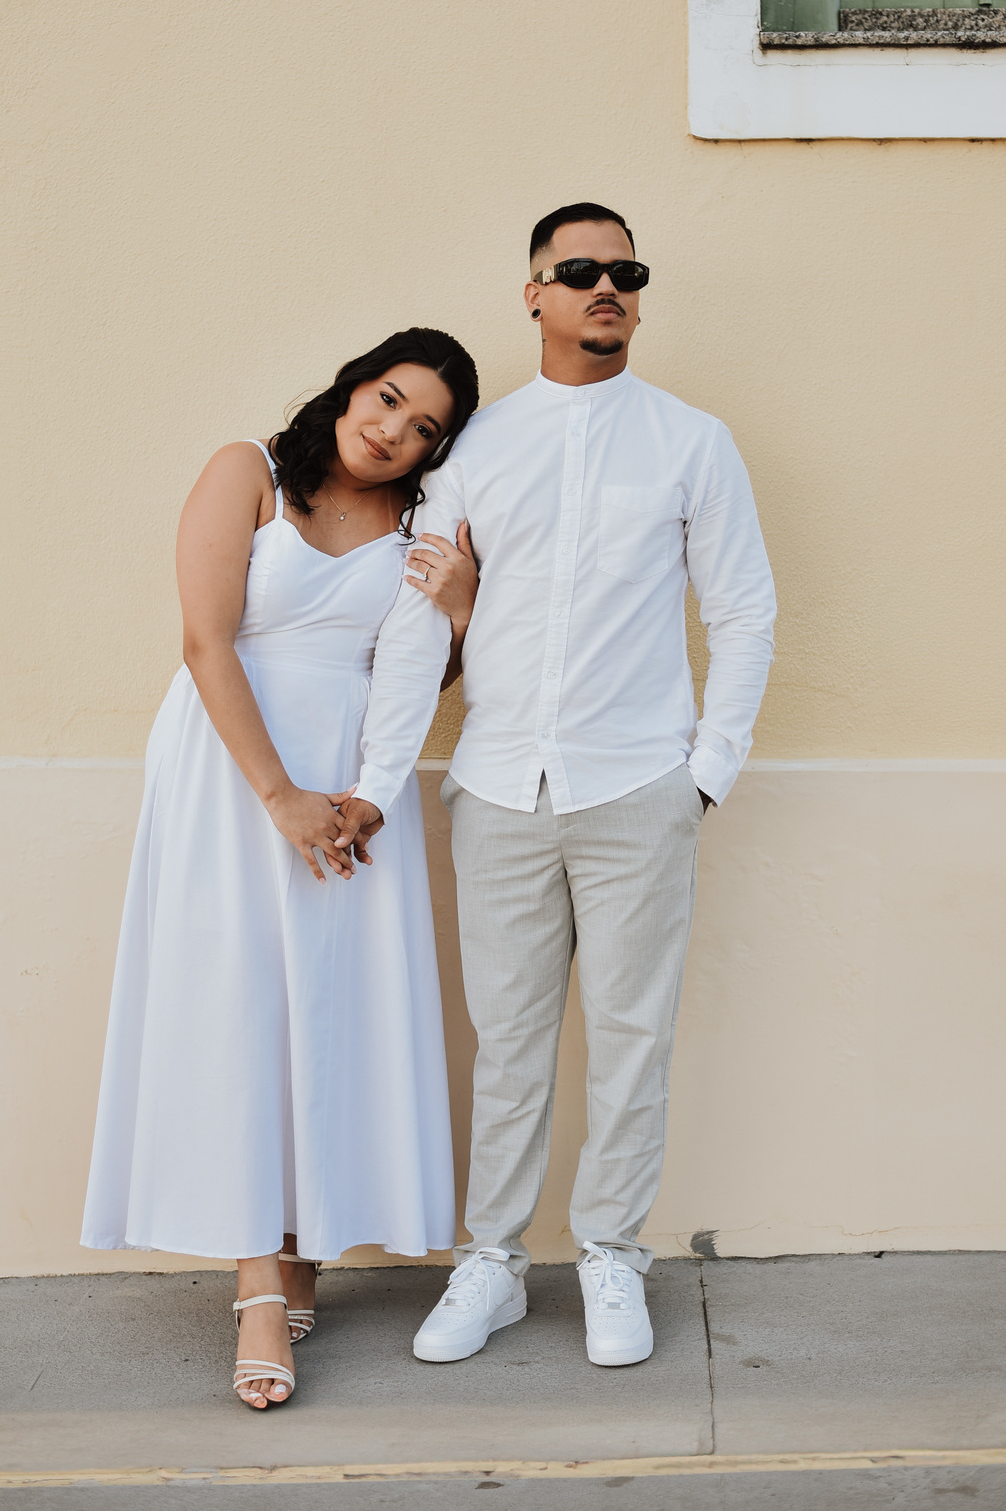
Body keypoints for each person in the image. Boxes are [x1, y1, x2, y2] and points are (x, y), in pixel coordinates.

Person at [337, 205, 776, 1370]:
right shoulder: (474, 448)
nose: (606, 286)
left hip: (640, 784)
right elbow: (418, 622)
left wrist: (705, 775)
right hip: (497, 788)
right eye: (579, 269)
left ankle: (612, 1256)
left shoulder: (693, 441)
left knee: (632, 1039)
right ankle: (492, 1262)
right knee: (510, 1041)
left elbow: (743, 610)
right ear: (534, 293)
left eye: (625, 271)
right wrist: (380, 780)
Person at [81, 327, 480, 1410]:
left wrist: (458, 616)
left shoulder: (421, 523)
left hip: (351, 786)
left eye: (423, 427)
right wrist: (279, 795)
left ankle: (301, 1242)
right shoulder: (247, 471)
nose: (392, 431)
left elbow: (415, 674)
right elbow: (206, 642)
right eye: (387, 398)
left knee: (327, 1007)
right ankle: (258, 1283)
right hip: (231, 772)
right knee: (239, 1006)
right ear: (352, 387)